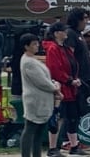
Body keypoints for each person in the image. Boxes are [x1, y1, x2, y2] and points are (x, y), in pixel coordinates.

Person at [43, 23, 85, 156]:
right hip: (60, 88)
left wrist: (75, 79)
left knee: (72, 117)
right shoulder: (52, 49)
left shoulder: (65, 48)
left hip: (71, 89)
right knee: (58, 117)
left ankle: (74, 146)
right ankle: (52, 148)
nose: (66, 33)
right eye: (63, 31)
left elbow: (72, 65)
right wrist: (69, 80)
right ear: (56, 33)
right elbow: (55, 69)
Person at [20, 33, 61, 157]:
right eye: (34, 44)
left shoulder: (33, 59)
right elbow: (41, 81)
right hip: (35, 100)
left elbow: (45, 78)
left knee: (39, 131)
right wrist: (55, 88)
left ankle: (37, 154)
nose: (37, 46)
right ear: (26, 46)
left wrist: (53, 83)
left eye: (37, 43)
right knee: (30, 129)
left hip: (42, 100)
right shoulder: (28, 62)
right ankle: (26, 154)